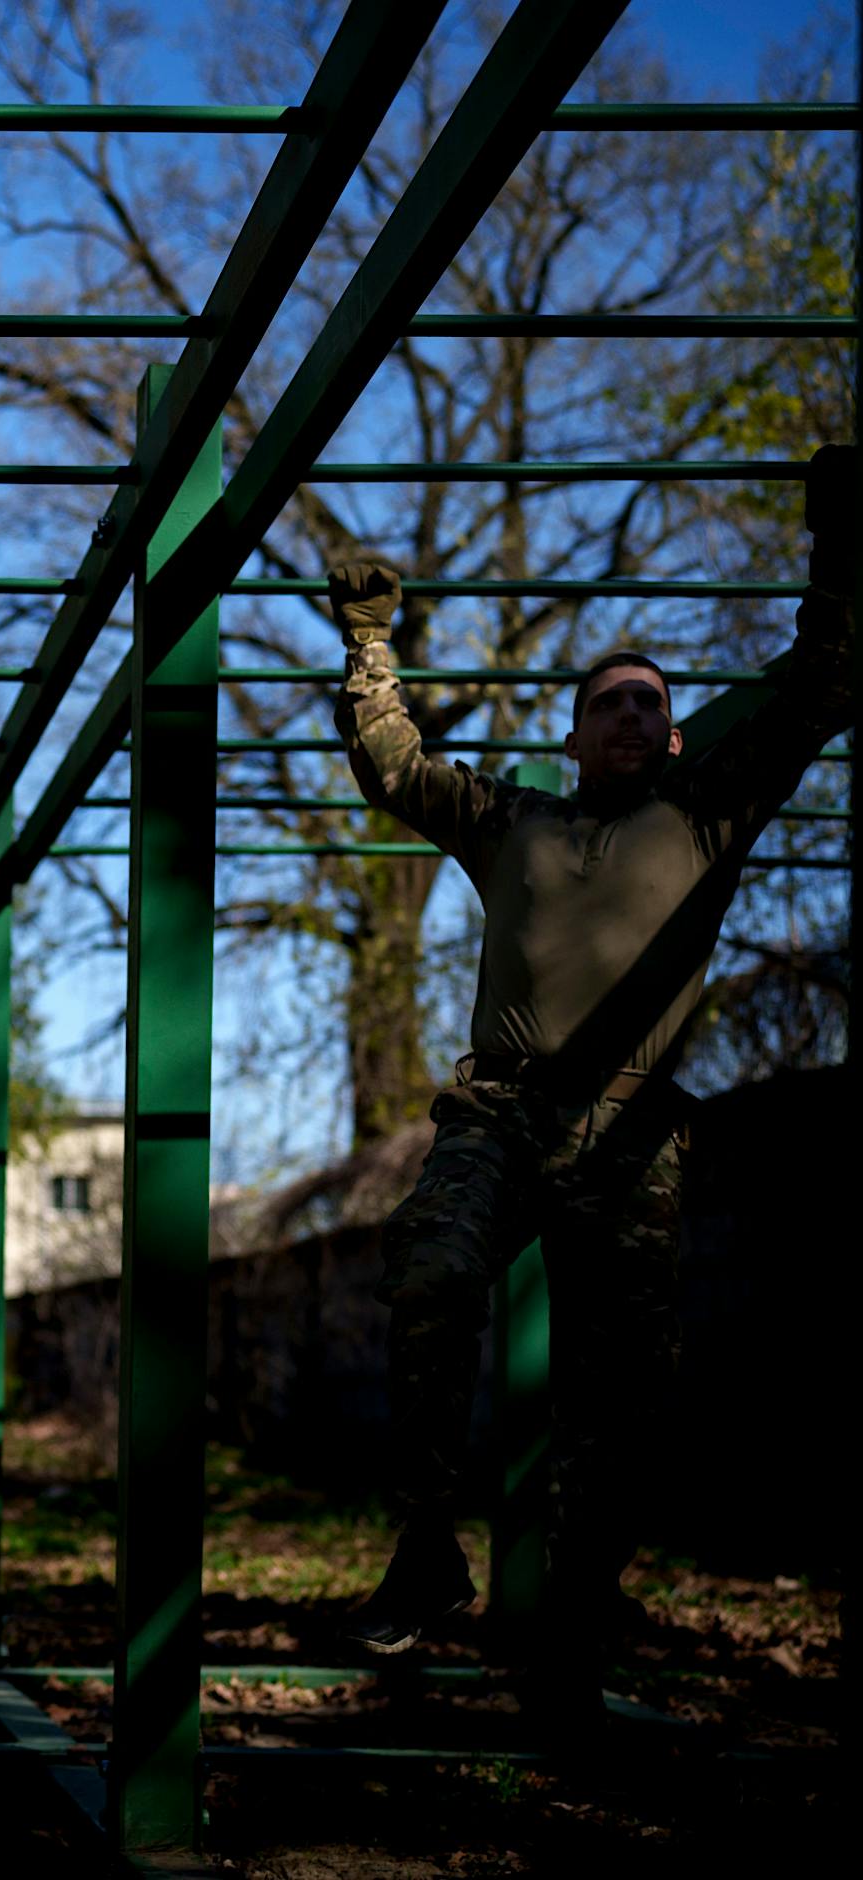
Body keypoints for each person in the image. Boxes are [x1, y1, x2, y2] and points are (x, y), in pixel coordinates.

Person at [326, 447, 853, 1721]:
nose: (624, 715)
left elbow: (817, 679)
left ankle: (568, 1624)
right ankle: (422, 1543)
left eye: (643, 703)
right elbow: (390, 764)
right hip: (500, 1111)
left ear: (668, 734)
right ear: (569, 732)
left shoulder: (706, 810)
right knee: (431, 1271)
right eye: (603, 701)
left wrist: (834, 534)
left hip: (629, 1132)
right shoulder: (514, 820)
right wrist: (366, 636)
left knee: (620, 1391)